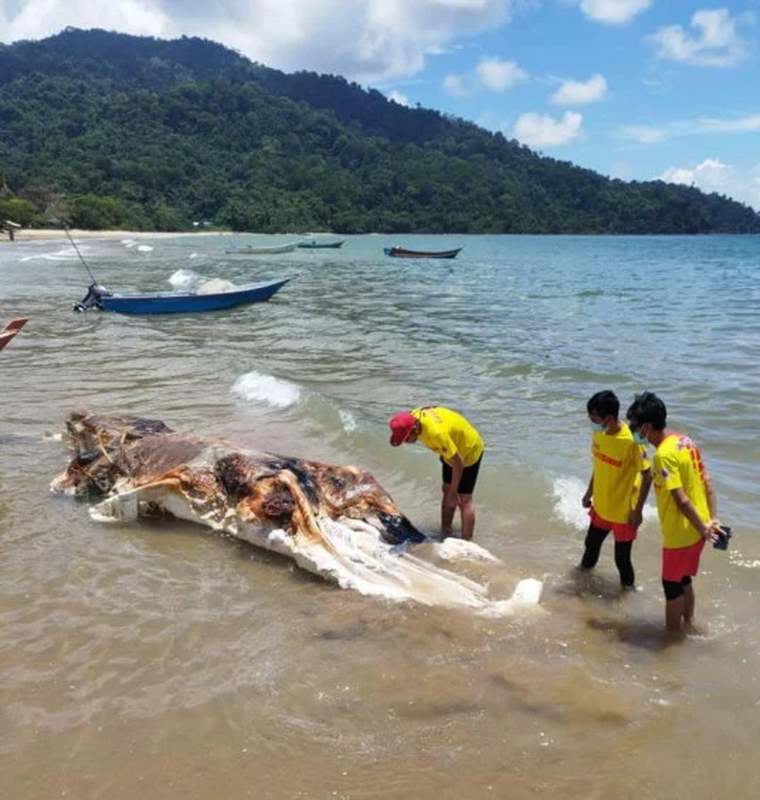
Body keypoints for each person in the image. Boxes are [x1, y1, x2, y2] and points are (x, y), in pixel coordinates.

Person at [626, 391, 721, 633]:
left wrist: (703, 528)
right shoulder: (685, 441)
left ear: (647, 427)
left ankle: (672, 636)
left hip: (682, 532)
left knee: (671, 584)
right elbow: (707, 480)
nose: (632, 430)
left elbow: (681, 500)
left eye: (635, 426)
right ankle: (688, 623)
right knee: (684, 579)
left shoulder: (663, 456)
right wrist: (712, 520)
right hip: (698, 528)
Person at [580, 390, 652, 589]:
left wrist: (637, 512)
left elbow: (648, 475)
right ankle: (581, 585)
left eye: (593, 418)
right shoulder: (598, 433)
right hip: (602, 505)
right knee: (590, 546)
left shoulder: (631, 443)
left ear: (608, 418)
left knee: (621, 560)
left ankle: (628, 597)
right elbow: (598, 465)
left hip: (623, 512)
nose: (590, 421)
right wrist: (589, 493)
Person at [389, 407, 484, 541]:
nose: (405, 442)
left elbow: (459, 462)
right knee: (446, 489)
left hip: (469, 450)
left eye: (405, 438)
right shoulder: (414, 417)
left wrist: (454, 491)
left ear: (414, 429)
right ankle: (445, 531)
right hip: (450, 449)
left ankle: (467, 542)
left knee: (464, 499)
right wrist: (450, 490)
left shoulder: (436, 434)